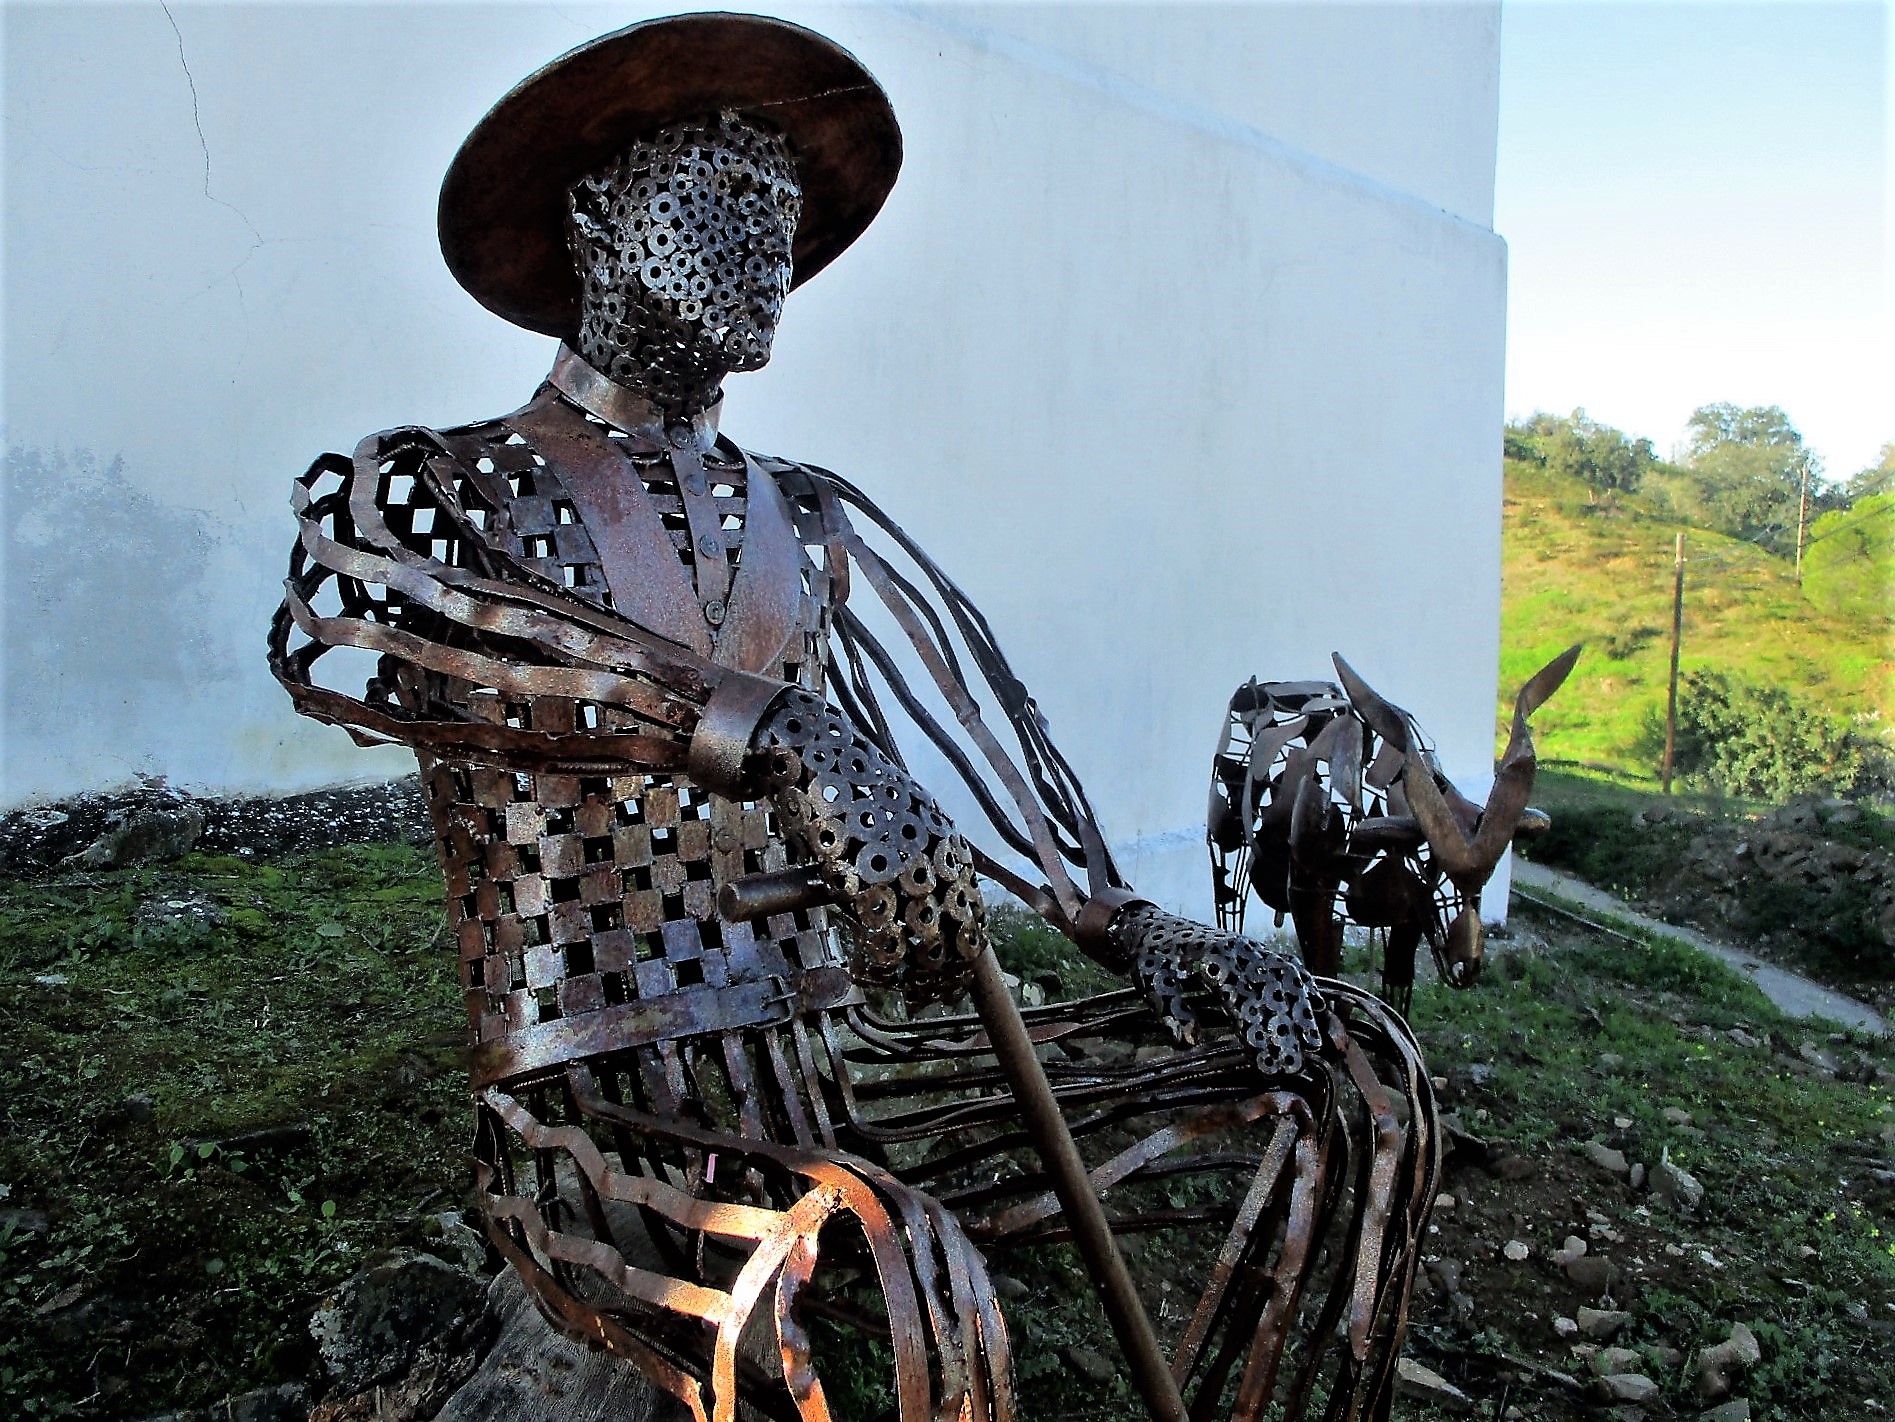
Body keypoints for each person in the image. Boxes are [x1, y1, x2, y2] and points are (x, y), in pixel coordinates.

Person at [271, 15, 1438, 1421]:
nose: (770, 242)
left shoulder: (802, 518)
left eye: (787, 211)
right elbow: (354, 616)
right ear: (595, 216)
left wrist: (1128, 923)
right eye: (724, 194)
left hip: (837, 1065)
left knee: (1354, 1071)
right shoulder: (443, 494)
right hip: (593, 1101)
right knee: (916, 1273)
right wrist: (770, 732)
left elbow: (968, 747)